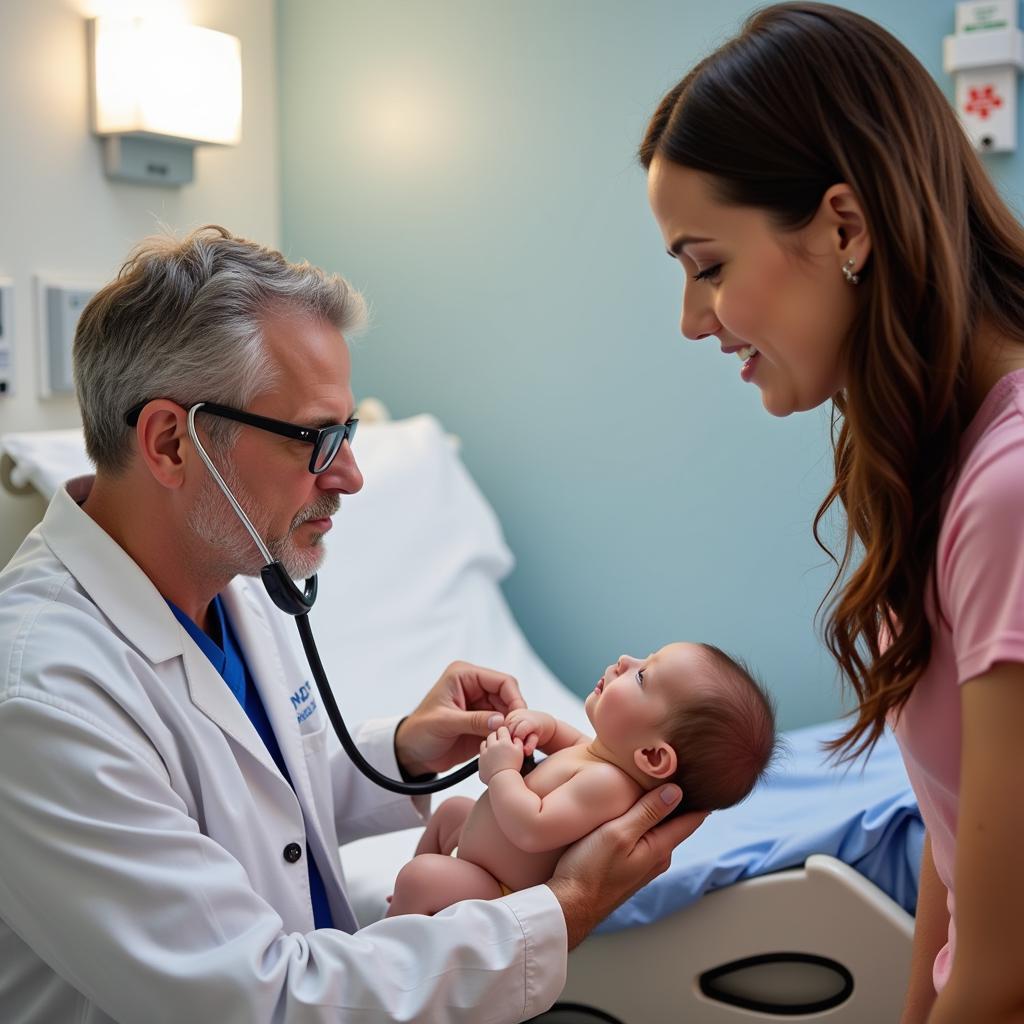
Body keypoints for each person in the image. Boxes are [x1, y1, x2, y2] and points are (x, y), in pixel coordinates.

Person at [0, 226, 706, 1024]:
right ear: (171, 443)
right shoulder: (43, 700)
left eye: (350, 434)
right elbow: (256, 1001)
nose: (350, 476)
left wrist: (403, 747)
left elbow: (252, 793)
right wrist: (566, 906)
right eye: (316, 439)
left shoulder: (227, 577)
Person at [638, 4, 1024, 1022]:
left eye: (706, 266)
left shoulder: (1009, 491)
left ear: (843, 226)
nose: (691, 321)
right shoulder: (942, 462)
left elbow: (1003, 972)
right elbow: (958, 848)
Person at [387, 642, 776, 917]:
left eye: (642, 677)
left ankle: (401, 925)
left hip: (498, 890)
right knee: (452, 812)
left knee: (421, 876)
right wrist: (543, 726)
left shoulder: (609, 785)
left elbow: (533, 828)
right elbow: (566, 741)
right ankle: (411, 906)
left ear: (653, 756)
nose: (626, 659)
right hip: (481, 863)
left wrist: (502, 772)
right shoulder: (600, 755)